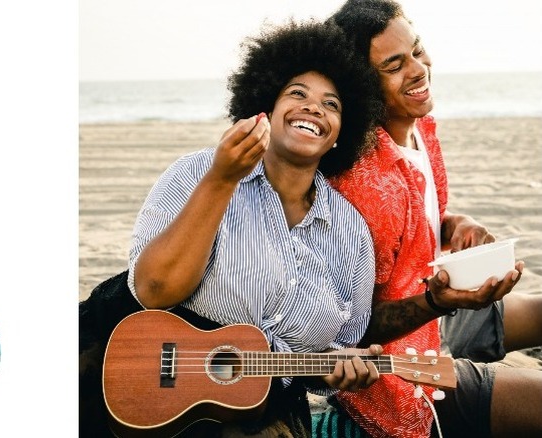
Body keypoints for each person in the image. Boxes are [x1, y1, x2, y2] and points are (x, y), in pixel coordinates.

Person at [125, 19, 386, 437]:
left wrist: (339, 371)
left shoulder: (352, 235)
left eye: (332, 104)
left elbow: (326, 356)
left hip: (267, 414)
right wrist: (222, 180)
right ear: (265, 107)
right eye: (297, 94)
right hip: (152, 394)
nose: (314, 108)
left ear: (340, 134)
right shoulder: (197, 172)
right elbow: (153, 290)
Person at [324, 1, 542, 437]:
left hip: (438, 318)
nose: (418, 68)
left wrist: (454, 225)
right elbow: (349, 328)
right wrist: (439, 302)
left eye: (417, 50)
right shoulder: (369, 185)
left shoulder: (418, 128)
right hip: (400, 375)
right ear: (363, 86)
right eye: (394, 65)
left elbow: (423, 216)